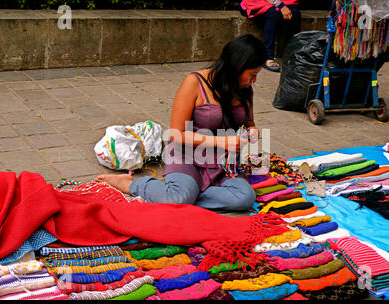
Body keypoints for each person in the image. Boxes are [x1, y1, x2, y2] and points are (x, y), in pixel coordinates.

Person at [94, 34, 267, 212]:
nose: (254, 80)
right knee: (180, 197)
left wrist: (252, 130)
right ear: (236, 67)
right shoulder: (195, 82)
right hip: (187, 155)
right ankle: (133, 185)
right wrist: (221, 141)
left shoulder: (245, 89)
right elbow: (177, 133)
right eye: (252, 74)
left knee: (244, 198)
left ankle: (180, 196)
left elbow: (249, 122)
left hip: (223, 162)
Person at [239, 0, 301, 72]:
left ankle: (292, 55)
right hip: (255, 3)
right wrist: (280, 5)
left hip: (282, 2)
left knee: (295, 13)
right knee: (274, 13)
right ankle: (267, 57)